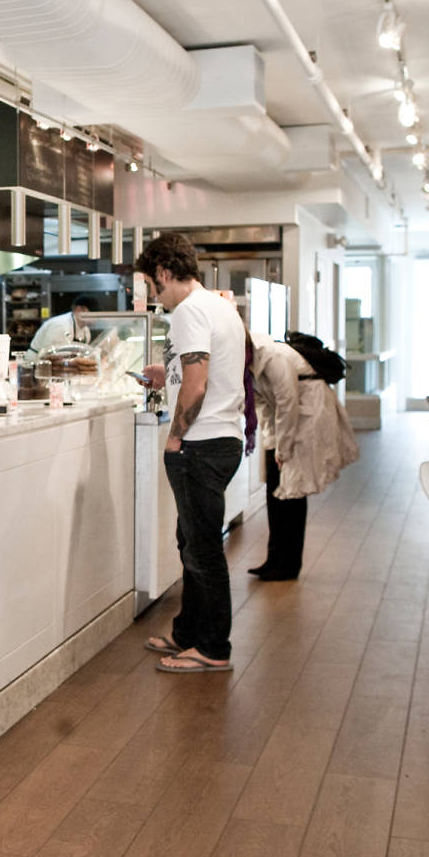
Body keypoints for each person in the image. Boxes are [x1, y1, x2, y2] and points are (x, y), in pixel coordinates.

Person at [137, 232, 246, 674]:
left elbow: (199, 385)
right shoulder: (220, 307)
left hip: (201, 444)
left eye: (150, 285)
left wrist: (177, 435)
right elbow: (204, 371)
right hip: (223, 439)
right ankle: (188, 633)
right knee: (192, 542)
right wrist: (170, 373)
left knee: (202, 551)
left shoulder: (189, 311)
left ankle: (213, 648)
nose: (152, 295)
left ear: (164, 273)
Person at [246, 331, 360, 580]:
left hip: (307, 416)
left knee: (293, 492)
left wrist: (283, 448)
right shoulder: (249, 362)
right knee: (275, 492)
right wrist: (271, 443)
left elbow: (288, 402)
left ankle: (288, 565)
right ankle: (274, 559)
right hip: (290, 420)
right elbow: (264, 405)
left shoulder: (274, 357)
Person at [25, 295, 97, 359]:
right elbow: (46, 354)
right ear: (79, 309)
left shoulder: (86, 331)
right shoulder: (60, 325)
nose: (96, 318)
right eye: (94, 313)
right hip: (35, 364)